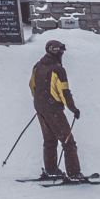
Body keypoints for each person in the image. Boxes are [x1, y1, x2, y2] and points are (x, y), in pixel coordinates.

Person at [29, 38, 85, 180]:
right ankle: (74, 174)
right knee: (68, 142)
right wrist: (73, 109)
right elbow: (64, 92)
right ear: (57, 52)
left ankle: (51, 169)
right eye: (61, 51)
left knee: (49, 140)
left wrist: (40, 102)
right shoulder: (57, 69)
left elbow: (32, 85)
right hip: (53, 110)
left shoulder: (38, 65)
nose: (62, 54)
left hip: (40, 108)